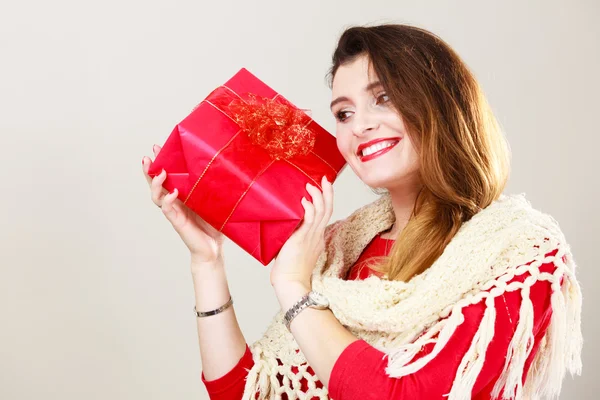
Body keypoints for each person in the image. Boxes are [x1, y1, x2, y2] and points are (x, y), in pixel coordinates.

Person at [141, 24, 582, 400]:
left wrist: (294, 287)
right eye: (344, 113)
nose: (359, 126)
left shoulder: (516, 250)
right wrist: (207, 261)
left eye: (384, 98)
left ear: (442, 102)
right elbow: (247, 392)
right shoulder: (341, 248)